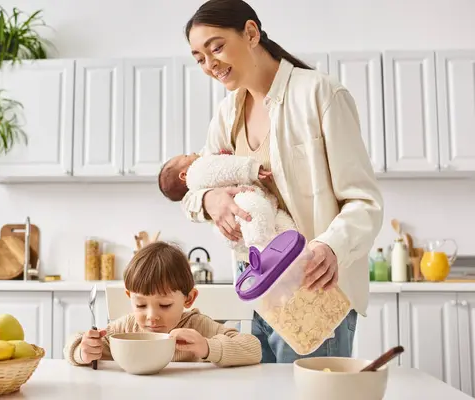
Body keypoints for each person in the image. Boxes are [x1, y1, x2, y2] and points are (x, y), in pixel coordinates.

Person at [181, 0, 384, 363]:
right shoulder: (227, 113)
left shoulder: (320, 94)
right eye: (199, 58)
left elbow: (364, 202)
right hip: (255, 286)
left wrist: (331, 248)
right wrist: (211, 201)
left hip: (314, 284)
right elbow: (196, 184)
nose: (210, 65)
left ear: (251, 33)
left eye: (216, 48)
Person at [63, 241, 262, 367]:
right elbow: (73, 344)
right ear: (129, 297)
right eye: (140, 305)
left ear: (188, 299)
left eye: (165, 305)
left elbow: (253, 349)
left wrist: (207, 347)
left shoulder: (198, 326)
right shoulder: (126, 328)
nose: (151, 316)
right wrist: (83, 351)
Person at [157, 151, 296, 255]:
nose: (193, 153)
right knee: (261, 227)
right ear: (183, 175)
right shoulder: (196, 170)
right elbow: (223, 167)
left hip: (245, 228)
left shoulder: (201, 168)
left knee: (280, 231)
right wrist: (251, 169)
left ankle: (290, 250)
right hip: (246, 202)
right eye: (186, 156)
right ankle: (278, 249)